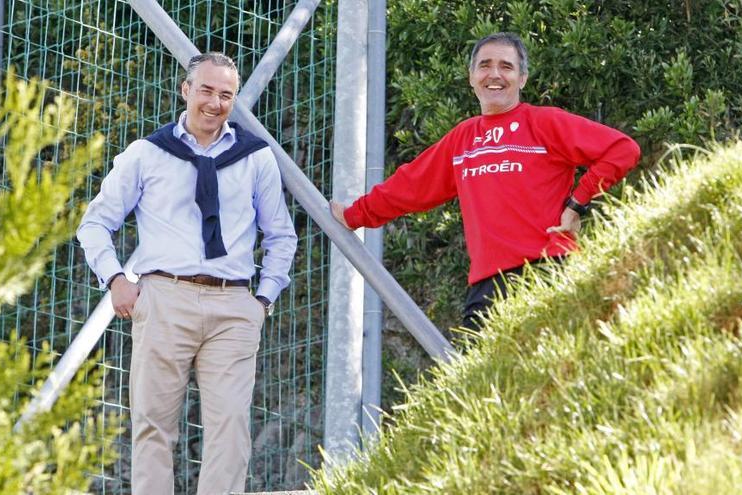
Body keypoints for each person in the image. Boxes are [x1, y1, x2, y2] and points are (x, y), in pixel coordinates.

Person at [77, 52, 297, 495]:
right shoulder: (148, 154)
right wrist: (116, 279)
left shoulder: (256, 159)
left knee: (231, 429)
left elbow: (281, 236)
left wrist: (262, 301)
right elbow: (95, 223)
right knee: (153, 427)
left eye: (226, 94)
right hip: (163, 300)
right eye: (207, 90)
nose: (215, 103)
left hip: (234, 306)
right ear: (186, 90)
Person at [330, 32, 640, 331]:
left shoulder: (544, 122)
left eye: (506, 66)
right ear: (471, 77)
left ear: (522, 79)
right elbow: (410, 186)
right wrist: (355, 215)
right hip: (487, 286)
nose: (495, 74)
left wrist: (576, 205)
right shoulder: (463, 139)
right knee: (481, 383)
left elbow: (622, 149)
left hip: (550, 269)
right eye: (485, 65)